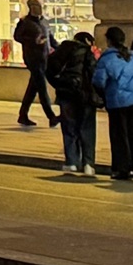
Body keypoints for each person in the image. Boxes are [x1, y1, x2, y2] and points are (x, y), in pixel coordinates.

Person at [92, 26, 133, 181]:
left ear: (109, 40)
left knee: (119, 135)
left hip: (116, 101)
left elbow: (99, 81)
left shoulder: (107, 58)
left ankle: (122, 168)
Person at [47, 30, 98, 176]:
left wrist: (59, 85)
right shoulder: (87, 53)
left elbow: (49, 70)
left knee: (69, 129)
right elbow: (94, 74)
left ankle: (72, 162)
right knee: (87, 129)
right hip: (85, 96)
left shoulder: (61, 51)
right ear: (88, 41)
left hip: (66, 95)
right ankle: (88, 164)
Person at [14, 0, 58, 127]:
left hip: (44, 58)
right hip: (33, 58)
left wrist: (61, 49)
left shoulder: (44, 22)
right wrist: (33, 41)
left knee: (33, 88)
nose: (38, 8)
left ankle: (23, 114)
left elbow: (51, 39)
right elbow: (17, 37)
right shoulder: (25, 22)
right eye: (35, 6)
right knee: (41, 87)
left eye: (39, 5)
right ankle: (51, 116)